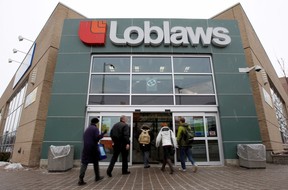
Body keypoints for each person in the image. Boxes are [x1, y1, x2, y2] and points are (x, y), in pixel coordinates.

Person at [78, 117, 107, 186]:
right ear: (96, 123)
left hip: (86, 148)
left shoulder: (87, 129)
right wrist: (103, 134)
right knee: (95, 162)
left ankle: (80, 179)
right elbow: (97, 138)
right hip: (93, 148)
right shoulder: (95, 129)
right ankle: (97, 177)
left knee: (85, 163)